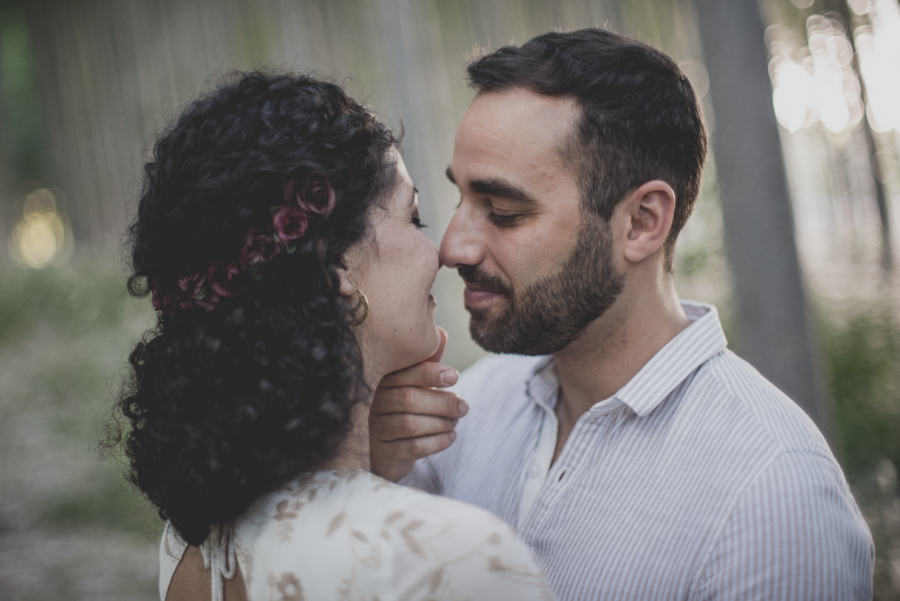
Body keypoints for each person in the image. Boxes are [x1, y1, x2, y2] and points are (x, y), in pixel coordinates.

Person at [369, 29, 874, 600]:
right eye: (460, 198)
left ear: (641, 222)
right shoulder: (462, 413)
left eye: (503, 211)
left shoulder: (772, 494)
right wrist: (373, 466)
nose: (452, 247)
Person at [112, 71, 556, 601]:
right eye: (414, 218)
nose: (441, 252)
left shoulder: (191, 542)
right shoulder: (448, 557)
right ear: (337, 265)